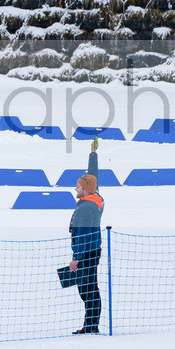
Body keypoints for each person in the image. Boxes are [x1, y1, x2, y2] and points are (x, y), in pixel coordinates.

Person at [68, 138, 104, 335]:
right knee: (91, 287)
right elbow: (93, 176)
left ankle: (91, 326)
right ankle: (90, 325)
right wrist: (93, 153)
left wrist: (75, 259)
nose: (75, 188)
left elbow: (80, 236)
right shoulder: (95, 196)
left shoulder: (85, 208)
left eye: (78, 186)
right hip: (94, 249)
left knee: (87, 290)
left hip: (86, 252)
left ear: (84, 190)